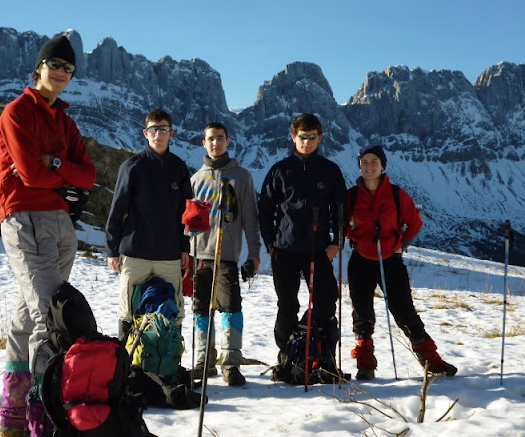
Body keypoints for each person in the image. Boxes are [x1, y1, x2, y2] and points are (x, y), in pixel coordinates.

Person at [0, 35, 97, 437]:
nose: (60, 73)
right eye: (54, 64)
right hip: (25, 219)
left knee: (27, 315)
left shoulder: (65, 122)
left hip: (60, 224)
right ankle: (43, 420)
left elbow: (88, 176)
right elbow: (31, 177)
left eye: (68, 69)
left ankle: (13, 414)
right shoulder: (16, 113)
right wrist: (63, 175)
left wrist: (54, 163)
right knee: (49, 316)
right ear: (38, 67)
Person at [346, 144, 457, 379]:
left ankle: (431, 360)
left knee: (404, 312)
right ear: (359, 165)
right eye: (364, 162)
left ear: (383, 165)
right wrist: (350, 235)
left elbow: (415, 222)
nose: (369, 166)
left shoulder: (396, 194)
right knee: (362, 314)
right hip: (361, 261)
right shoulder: (352, 196)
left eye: (374, 161)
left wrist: (401, 245)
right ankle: (365, 364)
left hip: (390, 262)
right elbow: (341, 224)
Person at [259, 113, 347, 383]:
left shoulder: (330, 170)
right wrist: (271, 245)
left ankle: (325, 360)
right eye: (301, 137)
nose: (306, 142)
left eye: (311, 137)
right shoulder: (280, 169)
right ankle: (287, 360)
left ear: (319, 138)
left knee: (325, 303)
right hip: (285, 251)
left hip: (318, 250)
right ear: (292, 137)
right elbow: (265, 209)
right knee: (286, 306)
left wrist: (336, 243)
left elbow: (341, 209)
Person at [105, 109, 192, 342]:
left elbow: (186, 214)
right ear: (145, 133)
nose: (158, 134)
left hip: (169, 254)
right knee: (128, 312)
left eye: (163, 129)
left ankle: (169, 370)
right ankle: (126, 368)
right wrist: (112, 250)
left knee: (172, 312)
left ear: (171, 133)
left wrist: (185, 248)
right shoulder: (132, 166)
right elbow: (118, 210)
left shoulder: (179, 168)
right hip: (135, 253)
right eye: (153, 129)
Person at [188, 122, 261, 387]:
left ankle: (230, 363)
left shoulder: (242, 176)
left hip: (227, 256)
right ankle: (204, 361)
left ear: (228, 141)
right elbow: (189, 223)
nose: (216, 143)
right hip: (200, 256)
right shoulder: (196, 179)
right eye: (211, 139)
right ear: (203, 143)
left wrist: (254, 253)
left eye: (220, 138)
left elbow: (250, 218)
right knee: (200, 308)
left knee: (231, 306)